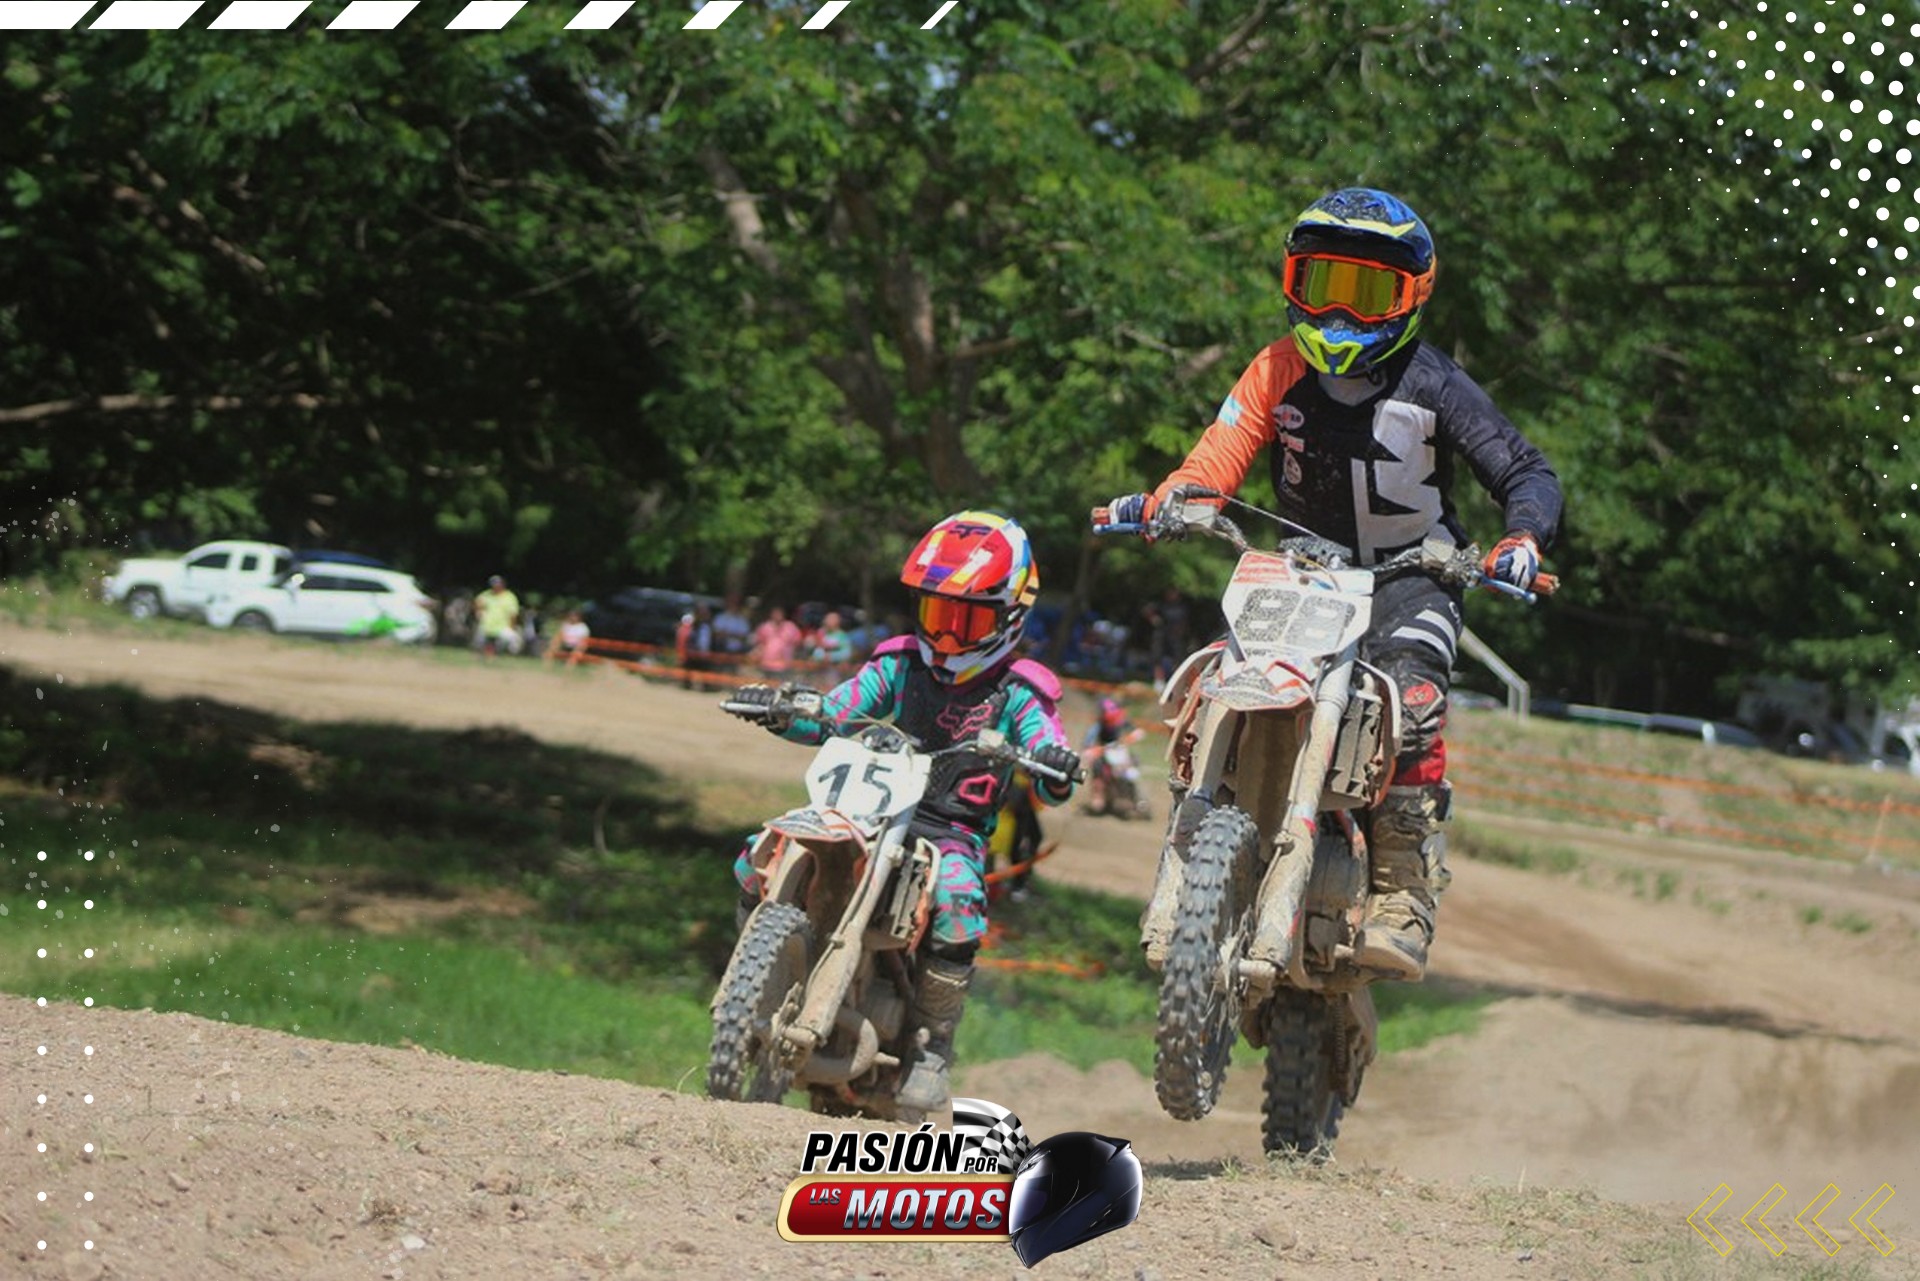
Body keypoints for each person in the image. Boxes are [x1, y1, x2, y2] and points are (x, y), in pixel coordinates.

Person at [1097, 187, 1562, 981]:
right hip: (1303, 573)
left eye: (1367, 291)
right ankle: (1194, 850)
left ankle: (1401, 893)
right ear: (1292, 282)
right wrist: (1175, 500)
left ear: (1411, 296)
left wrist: (1521, 537)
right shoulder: (1277, 367)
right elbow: (1218, 453)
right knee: (1214, 684)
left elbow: (1525, 469)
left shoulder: (1435, 384)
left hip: (1414, 572)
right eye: (1324, 284)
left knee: (1414, 702)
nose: (1341, 311)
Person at [725, 511, 1082, 1111]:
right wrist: (785, 710)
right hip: (866, 809)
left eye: (967, 619)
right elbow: (838, 712)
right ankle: (752, 982)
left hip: (951, 830)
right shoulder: (898, 664)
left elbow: (1049, 762)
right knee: (757, 853)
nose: (948, 636)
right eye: (938, 614)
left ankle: (930, 1045)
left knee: (959, 903)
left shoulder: (1022, 689)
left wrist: (1053, 762)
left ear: (1010, 615)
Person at [1081, 696, 1147, 816]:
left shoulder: (1122, 722)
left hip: (1119, 751)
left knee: (1133, 764)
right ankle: (1098, 797)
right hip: (1104, 754)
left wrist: (1136, 734)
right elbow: (1087, 745)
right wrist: (1090, 751)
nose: (1113, 722)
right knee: (1097, 767)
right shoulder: (1097, 727)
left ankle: (1137, 799)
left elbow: (1137, 731)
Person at [472, 575, 522, 658]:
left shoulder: (509, 597)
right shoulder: (486, 594)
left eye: (498, 584)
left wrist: (512, 626)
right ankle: (480, 654)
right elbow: (476, 604)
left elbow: (513, 614)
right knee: (478, 640)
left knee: (513, 639)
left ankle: (507, 655)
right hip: (486, 625)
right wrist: (479, 612)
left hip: (503, 626)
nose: (496, 587)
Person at [749, 604, 803, 680]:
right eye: (775, 613)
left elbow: (798, 643)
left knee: (781, 684)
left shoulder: (790, 627)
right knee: (767, 684)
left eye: (779, 613)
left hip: (784, 665)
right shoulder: (765, 627)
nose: (777, 616)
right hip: (766, 663)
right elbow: (759, 643)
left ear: (783, 615)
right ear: (771, 615)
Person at [711, 595, 753, 674]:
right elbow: (716, 634)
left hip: (737, 653)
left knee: (734, 673)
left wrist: (727, 634)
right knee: (719, 672)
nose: (734, 606)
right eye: (732, 603)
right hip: (721, 651)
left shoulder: (742, 620)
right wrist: (735, 635)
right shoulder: (720, 617)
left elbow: (744, 637)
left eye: (736, 603)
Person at [810, 610, 854, 685]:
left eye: (830, 619)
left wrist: (831, 657)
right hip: (820, 669)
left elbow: (847, 653)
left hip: (835, 671)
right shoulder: (822, 634)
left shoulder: (842, 636)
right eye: (826, 619)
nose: (826, 621)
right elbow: (817, 651)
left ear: (837, 622)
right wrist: (820, 657)